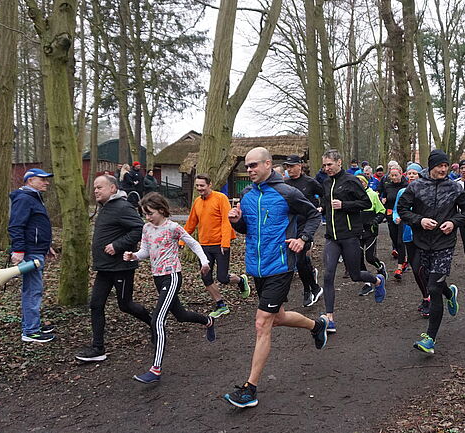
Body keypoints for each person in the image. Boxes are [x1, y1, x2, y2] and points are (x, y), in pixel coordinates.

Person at [224, 147, 328, 408]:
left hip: (281, 266)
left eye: (254, 165)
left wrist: (303, 239)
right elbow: (247, 229)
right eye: (247, 167)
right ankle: (317, 326)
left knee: (262, 323)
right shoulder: (246, 195)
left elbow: (314, 215)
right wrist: (236, 221)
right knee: (277, 317)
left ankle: (250, 389)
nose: (249, 170)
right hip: (258, 267)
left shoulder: (287, 193)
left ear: (268, 164)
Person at [124, 193, 216, 384]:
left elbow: (193, 243)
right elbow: (146, 252)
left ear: (161, 209)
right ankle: (208, 321)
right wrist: (134, 256)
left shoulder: (172, 227)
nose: (147, 217)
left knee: (157, 320)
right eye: (144, 214)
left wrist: (204, 261)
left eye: (150, 213)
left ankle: (155, 369)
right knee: (180, 315)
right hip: (157, 278)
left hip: (172, 276)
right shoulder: (146, 228)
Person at [398, 150, 465, 354]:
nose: (443, 169)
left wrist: (453, 222)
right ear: (430, 166)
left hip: (444, 243)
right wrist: (420, 221)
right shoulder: (416, 186)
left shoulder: (454, 187)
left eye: (446, 166)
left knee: (433, 288)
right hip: (422, 243)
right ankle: (450, 293)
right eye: (439, 166)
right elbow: (402, 209)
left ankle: (430, 339)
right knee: (428, 278)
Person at [75, 175, 152, 362]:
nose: (95, 191)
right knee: (96, 305)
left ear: (113, 188)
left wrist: (117, 245)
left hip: (121, 267)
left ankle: (155, 324)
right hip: (105, 268)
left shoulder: (122, 207)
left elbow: (139, 229)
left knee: (125, 305)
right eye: (94, 188)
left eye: (99, 187)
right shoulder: (106, 207)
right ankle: (98, 348)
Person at [321, 149, 386, 333]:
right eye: (324, 165)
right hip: (332, 237)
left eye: (330, 165)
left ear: (339, 162)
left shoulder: (351, 181)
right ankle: (330, 318)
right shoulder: (326, 183)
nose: (327, 168)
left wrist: (344, 205)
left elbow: (366, 203)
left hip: (350, 236)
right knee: (328, 275)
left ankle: (377, 280)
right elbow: (327, 206)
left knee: (355, 275)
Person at [182, 174, 251, 319]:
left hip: (220, 244)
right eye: (197, 186)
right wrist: (181, 241)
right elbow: (191, 222)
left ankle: (241, 280)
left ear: (210, 185)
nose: (199, 188)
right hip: (204, 246)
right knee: (205, 277)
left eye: (202, 185)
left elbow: (227, 222)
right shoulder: (197, 202)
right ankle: (220, 305)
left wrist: (225, 243)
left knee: (223, 278)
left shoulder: (220, 198)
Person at [8, 168, 57, 343]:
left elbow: (35, 226)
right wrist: (19, 250)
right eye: (42, 179)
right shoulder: (24, 199)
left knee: (32, 290)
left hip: (37, 250)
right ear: (30, 181)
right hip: (30, 253)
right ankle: (31, 331)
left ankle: (31, 324)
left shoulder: (33, 198)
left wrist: (46, 247)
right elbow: (16, 226)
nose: (47, 182)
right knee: (32, 292)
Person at [282, 154, 325, 307]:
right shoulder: (284, 184)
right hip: (290, 226)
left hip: (307, 225)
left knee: (300, 259)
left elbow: (325, 194)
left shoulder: (310, 182)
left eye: (292, 166)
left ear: (299, 166)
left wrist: (322, 208)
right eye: (287, 167)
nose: (289, 169)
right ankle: (311, 277)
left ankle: (311, 288)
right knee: (299, 261)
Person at [393, 163, 431, 317]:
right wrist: (396, 218)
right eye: (409, 173)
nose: (411, 176)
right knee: (416, 270)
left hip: (424, 235)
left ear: (420, 175)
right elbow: (396, 209)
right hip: (408, 235)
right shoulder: (402, 191)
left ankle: (432, 297)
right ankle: (426, 296)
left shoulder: (425, 191)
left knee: (425, 269)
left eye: (414, 173)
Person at [356, 173, 388, 296]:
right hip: (356, 232)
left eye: (362, 181)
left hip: (370, 232)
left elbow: (382, 211)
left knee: (370, 257)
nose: (360, 183)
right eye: (357, 181)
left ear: (366, 182)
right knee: (358, 258)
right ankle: (367, 283)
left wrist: (374, 221)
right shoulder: (351, 195)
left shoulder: (373, 195)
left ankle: (380, 267)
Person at [379, 166, 408, 278]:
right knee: (394, 237)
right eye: (392, 175)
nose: (394, 178)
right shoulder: (388, 185)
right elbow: (385, 197)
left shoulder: (406, 186)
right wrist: (384, 200)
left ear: (401, 174)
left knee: (401, 241)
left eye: (396, 175)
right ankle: (403, 257)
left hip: (402, 216)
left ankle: (400, 265)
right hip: (391, 214)